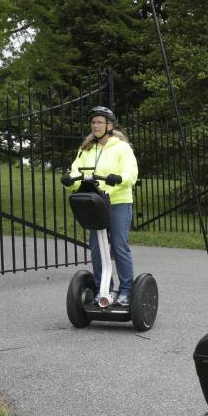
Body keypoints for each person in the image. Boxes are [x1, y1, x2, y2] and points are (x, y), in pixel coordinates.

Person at [61, 106, 138, 307]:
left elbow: (131, 174)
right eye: (93, 122)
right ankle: (103, 289)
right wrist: (70, 179)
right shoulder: (86, 149)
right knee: (97, 248)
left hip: (118, 202)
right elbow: (76, 172)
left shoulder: (122, 148)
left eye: (99, 122)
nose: (95, 125)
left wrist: (119, 178)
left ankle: (126, 291)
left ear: (109, 126)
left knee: (119, 246)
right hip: (95, 203)